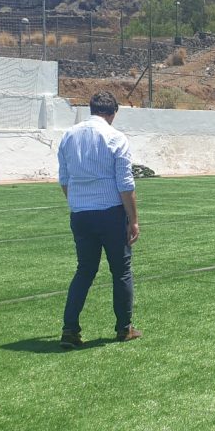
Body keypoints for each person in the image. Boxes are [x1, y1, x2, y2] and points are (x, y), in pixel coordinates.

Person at [57, 91, 141, 349]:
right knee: (121, 271)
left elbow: (64, 179)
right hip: (110, 212)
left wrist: (78, 203)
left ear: (91, 109)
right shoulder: (116, 137)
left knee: (84, 270)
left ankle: (70, 329)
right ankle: (124, 327)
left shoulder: (69, 136)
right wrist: (133, 219)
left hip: (80, 213)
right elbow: (125, 184)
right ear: (113, 113)